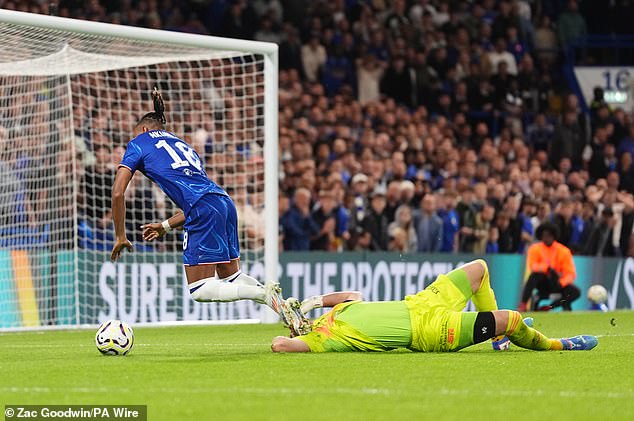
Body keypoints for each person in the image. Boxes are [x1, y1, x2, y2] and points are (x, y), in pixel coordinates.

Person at [110, 88, 304, 332]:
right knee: (231, 277)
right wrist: (166, 226)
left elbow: (117, 192)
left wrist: (120, 235)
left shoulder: (138, 143)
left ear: (145, 129)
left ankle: (265, 295)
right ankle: (284, 307)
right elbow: (199, 197)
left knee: (200, 289)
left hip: (203, 208)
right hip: (223, 202)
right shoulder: (184, 145)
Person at [271, 259, 597, 353]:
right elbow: (280, 345)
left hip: (423, 302)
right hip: (429, 332)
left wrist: (310, 302)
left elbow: (352, 295)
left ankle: (499, 342)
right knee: (512, 319)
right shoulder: (322, 339)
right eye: (294, 321)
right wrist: (293, 327)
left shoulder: (337, 311)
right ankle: (559, 345)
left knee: (479, 269)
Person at [519, 222, 581, 312]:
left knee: (575, 292)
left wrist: (561, 282)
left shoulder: (564, 251)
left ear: (554, 236)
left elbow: (570, 274)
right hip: (543, 283)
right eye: (544, 236)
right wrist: (547, 268)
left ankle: (549, 307)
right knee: (534, 276)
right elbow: (533, 266)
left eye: (549, 236)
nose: (546, 238)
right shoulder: (535, 249)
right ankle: (523, 304)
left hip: (558, 283)